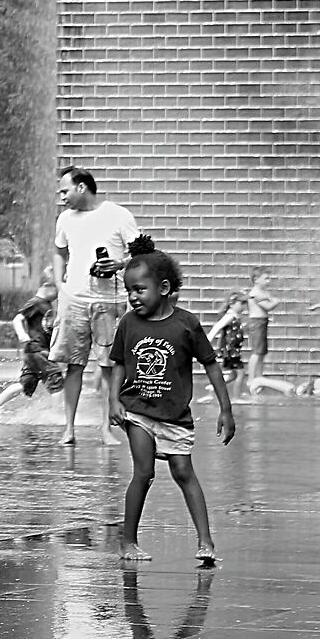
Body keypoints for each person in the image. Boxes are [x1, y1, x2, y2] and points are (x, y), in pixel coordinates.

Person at [110, 236, 235, 566]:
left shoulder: (186, 324)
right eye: (129, 291)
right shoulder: (128, 323)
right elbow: (119, 363)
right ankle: (127, 541)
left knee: (183, 471)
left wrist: (226, 408)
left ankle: (206, 541)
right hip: (137, 410)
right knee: (144, 471)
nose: (133, 297)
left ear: (163, 288)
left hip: (174, 414)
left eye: (140, 290)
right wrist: (113, 401)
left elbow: (210, 363)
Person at [51, 165, 139, 445]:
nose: (61, 196)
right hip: (73, 299)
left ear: (81, 187)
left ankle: (106, 428)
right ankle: (69, 428)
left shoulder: (117, 215)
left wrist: (119, 263)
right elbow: (58, 252)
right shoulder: (65, 219)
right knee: (73, 365)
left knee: (107, 366)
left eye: (64, 190)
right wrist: (59, 286)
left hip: (108, 300)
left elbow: (142, 251)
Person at [0, 270, 63, 421]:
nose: (59, 293)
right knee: (56, 380)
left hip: (35, 351)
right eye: (57, 288)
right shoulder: (36, 302)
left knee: (25, 383)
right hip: (36, 349)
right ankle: (58, 416)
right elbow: (17, 319)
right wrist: (22, 335)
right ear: (47, 286)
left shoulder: (46, 304)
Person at [231, 268, 298, 395]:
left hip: (262, 322)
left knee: (261, 351)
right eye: (266, 278)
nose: (269, 281)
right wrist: (275, 301)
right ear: (256, 280)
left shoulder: (262, 292)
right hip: (256, 322)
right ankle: (251, 379)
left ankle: (259, 375)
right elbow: (267, 306)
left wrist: (270, 298)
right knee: (256, 351)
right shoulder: (255, 292)